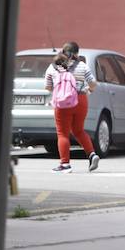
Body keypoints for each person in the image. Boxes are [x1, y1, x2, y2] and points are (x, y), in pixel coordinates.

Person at [44, 42, 100, 173]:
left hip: (63, 102)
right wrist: (87, 91)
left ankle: (65, 164)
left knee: (63, 133)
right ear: (77, 53)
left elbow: (47, 86)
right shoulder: (82, 66)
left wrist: (58, 90)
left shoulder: (53, 67)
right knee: (79, 130)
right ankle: (92, 154)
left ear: (63, 52)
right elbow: (93, 84)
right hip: (80, 100)